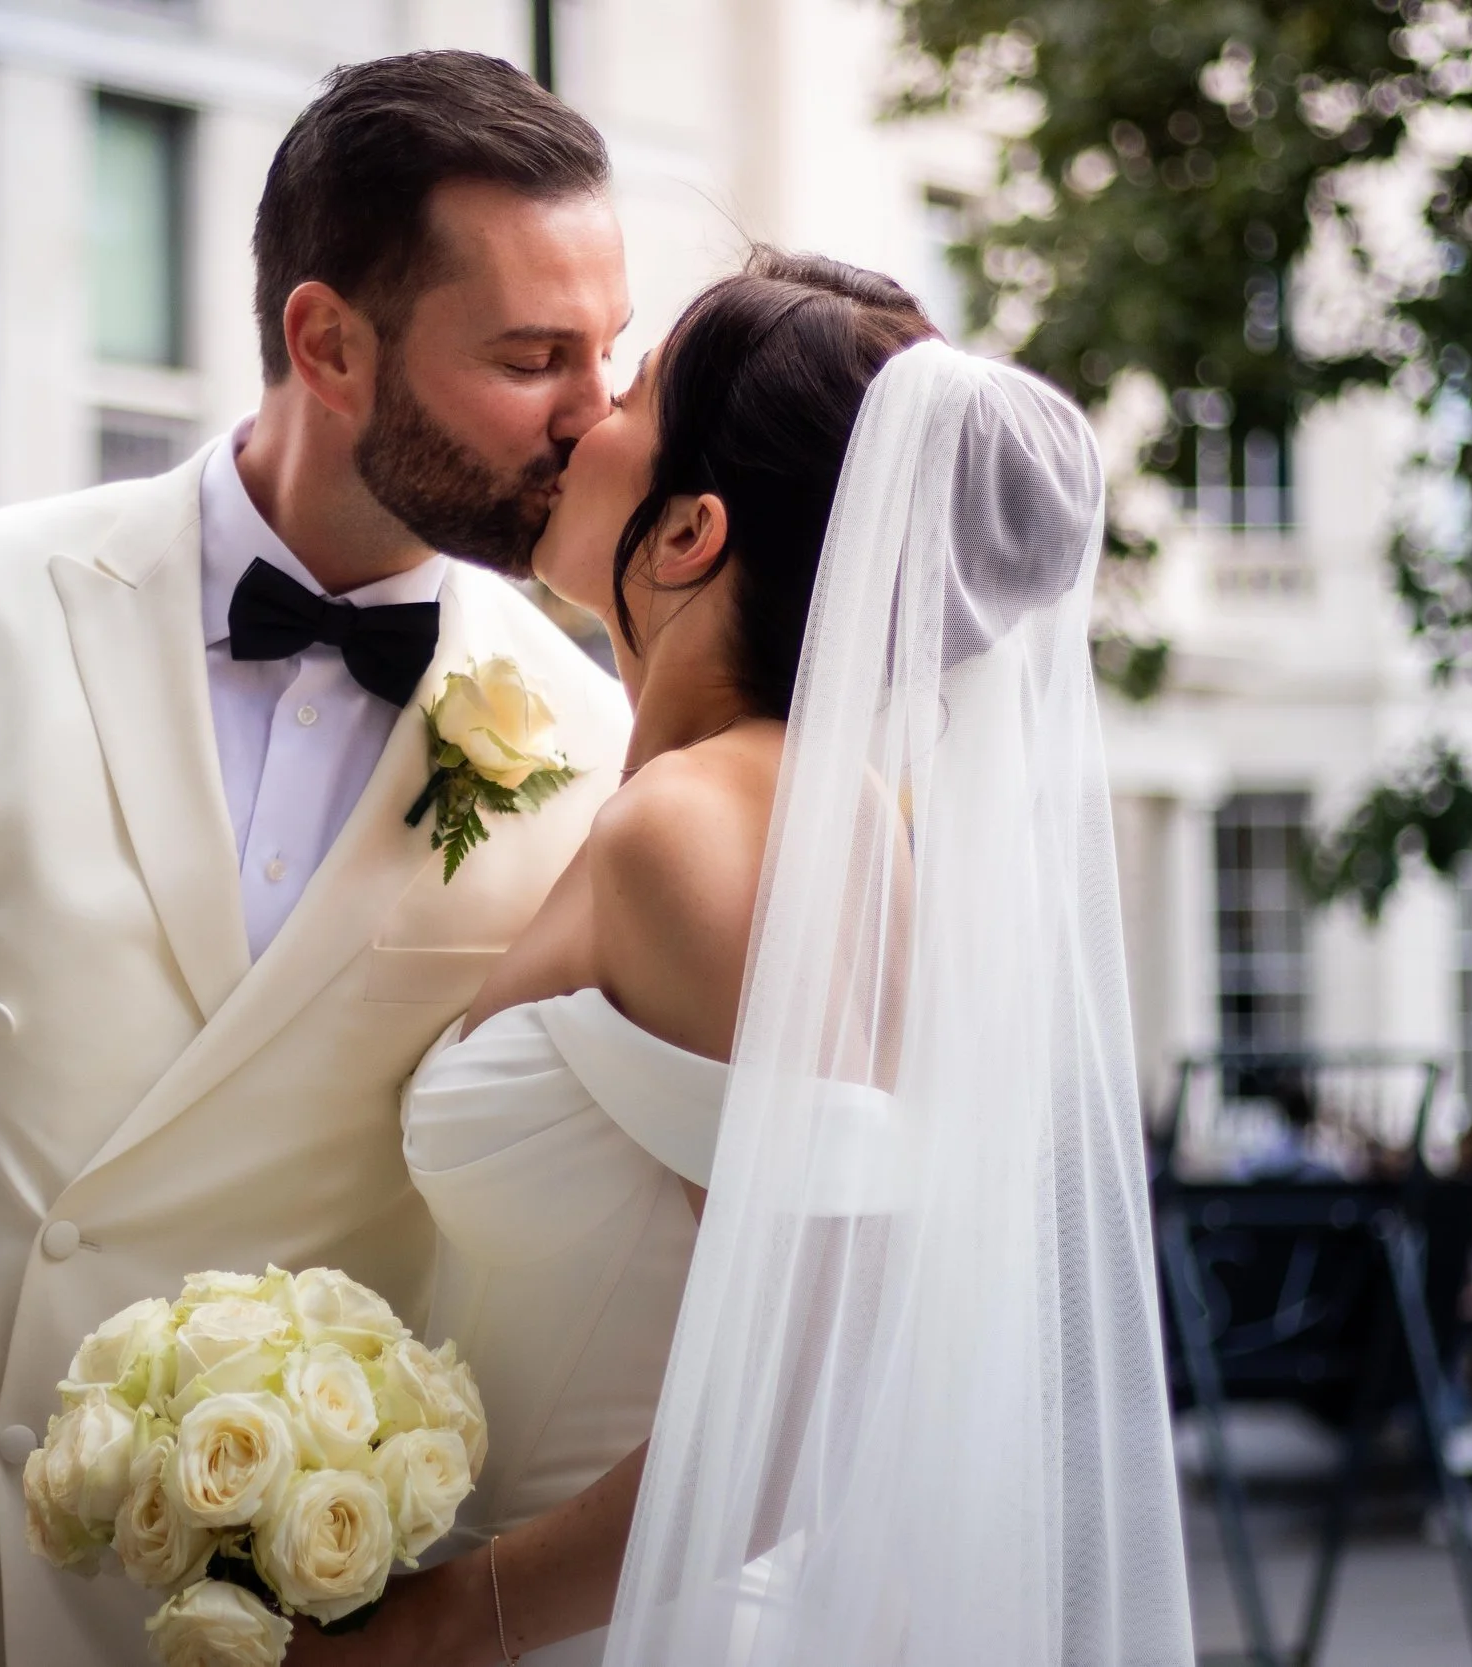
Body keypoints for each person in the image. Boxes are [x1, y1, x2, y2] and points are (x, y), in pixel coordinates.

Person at [0, 51, 633, 1667]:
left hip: (285, 1618)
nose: (595, 416)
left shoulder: (579, 733)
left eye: (609, 353)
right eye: (532, 356)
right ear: (326, 342)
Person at [306, 250, 1194, 1664]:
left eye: (635, 390)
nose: (584, 412)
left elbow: (820, 1383)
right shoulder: (769, 802)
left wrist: (439, 1626)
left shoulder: (706, 825)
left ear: (688, 533)